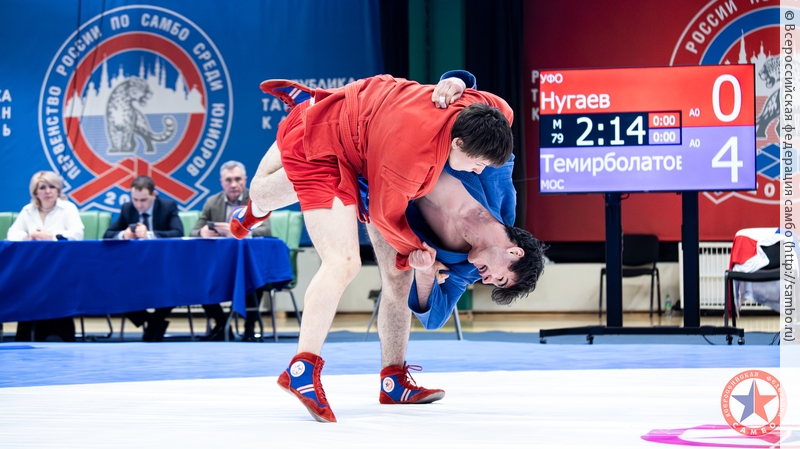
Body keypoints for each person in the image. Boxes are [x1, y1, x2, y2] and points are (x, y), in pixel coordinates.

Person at [231, 74, 514, 422]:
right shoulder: (415, 158)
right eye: (500, 278)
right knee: (343, 261)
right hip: (336, 146)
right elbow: (383, 214)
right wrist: (419, 250)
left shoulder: (494, 114)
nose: (480, 170)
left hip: (373, 152)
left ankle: (393, 380)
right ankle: (301, 368)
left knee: (400, 276)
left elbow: (495, 108)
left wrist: (456, 81)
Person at [190, 160, 271, 341]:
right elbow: (194, 231)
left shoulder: (256, 200)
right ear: (222, 182)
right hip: (220, 264)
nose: (233, 184)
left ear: (245, 180)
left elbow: (266, 230)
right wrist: (203, 232)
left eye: (237, 179)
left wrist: (239, 231)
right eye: (228, 180)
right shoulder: (212, 202)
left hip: (249, 262)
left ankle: (250, 328)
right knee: (198, 276)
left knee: (252, 276)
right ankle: (222, 324)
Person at [103, 175, 183, 341]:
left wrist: (149, 234)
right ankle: (153, 322)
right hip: (135, 268)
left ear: (154, 194)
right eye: (135, 200)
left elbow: (178, 233)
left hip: (163, 266)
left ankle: (154, 323)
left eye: (144, 200)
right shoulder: (127, 209)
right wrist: (124, 234)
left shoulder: (167, 206)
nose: (139, 205)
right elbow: (107, 234)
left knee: (175, 284)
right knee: (113, 286)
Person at [9, 170, 84, 342]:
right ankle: (26, 337)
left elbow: (77, 235)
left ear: (58, 189)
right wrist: (29, 236)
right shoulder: (28, 210)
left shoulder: (68, 208)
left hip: (60, 269)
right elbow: (12, 234)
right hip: (33, 268)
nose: (48, 191)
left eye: (52, 186)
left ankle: (63, 334)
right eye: (42, 187)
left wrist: (50, 236)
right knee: (25, 287)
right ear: (35, 192)